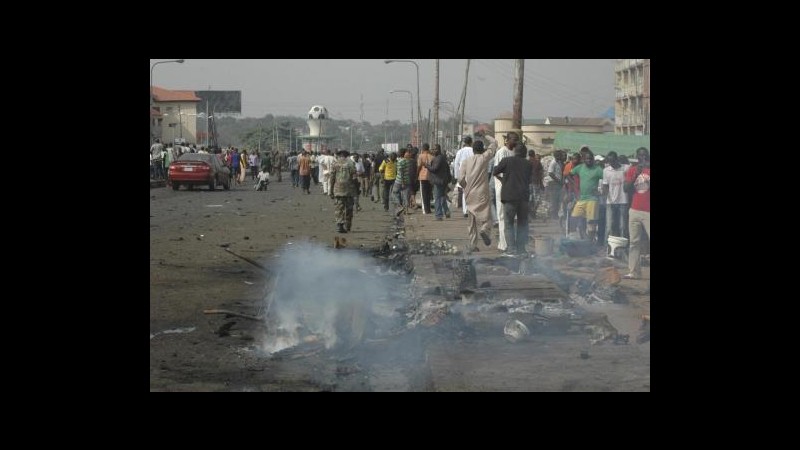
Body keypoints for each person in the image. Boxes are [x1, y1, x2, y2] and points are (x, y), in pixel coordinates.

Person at [459, 135, 498, 252]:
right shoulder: (484, 158)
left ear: (473, 149)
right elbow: (494, 143)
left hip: (470, 193)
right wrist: (486, 135)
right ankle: (484, 230)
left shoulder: (466, 161)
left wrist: (466, 187)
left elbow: (460, 179)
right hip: (482, 192)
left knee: (471, 221)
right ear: (482, 149)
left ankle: (473, 244)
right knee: (487, 217)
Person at [493, 143, 533, 256]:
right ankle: (521, 249)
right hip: (523, 197)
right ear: (525, 153)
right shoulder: (528, 164)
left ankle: (511, 250)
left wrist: (503, 180)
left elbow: (495, 171)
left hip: (509, 196)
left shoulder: (507, 160)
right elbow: (530, 180)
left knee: (509, 223)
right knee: (522, 224)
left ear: (515, 151)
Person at [624, 147, 650, 279]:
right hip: (634, 210)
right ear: (637, 157)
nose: (643, 158)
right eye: (640, 156)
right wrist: (635, 175)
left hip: (648, 211)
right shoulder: (632, 170)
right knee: (634, 241)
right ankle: (634, 271)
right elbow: (626, 188)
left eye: (645, 156)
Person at [568, 147, 604, 242]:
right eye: (587, 158)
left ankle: (589, 243)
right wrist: (574, 184)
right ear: (584, 159)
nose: (588, 160)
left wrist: (601, 192)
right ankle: (572, 238)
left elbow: (607, 180)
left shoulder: (598, 169)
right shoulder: (580, 168)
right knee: (573, 218)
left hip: (593, 199)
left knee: (591, 223)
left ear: (593, 160)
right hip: (582, 199)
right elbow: (568, 174)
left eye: (590, 159)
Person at [493, 131, 520, 252]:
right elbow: (496, 171)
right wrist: (505, 181)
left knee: (510, 218)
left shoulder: (515, 152)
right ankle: (503, 244)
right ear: (507, 140)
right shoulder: (501, 152)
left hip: (512, 189)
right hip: (502, 189)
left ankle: (507, 242)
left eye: (517, 140)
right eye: (514, 139)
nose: (516, 142)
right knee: (502, 216)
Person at [601, 151, 629, 242]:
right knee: (609, 226)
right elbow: (605, 185)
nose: (611, 163)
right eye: (609, 162)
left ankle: (623, 246)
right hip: (610, 201)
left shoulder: (625, 168)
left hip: (623, 201)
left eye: (613, 161)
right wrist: (606, 196)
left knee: (622, 226)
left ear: (617, 159)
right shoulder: (606, 170)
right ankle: (607, 247)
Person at [329, 149, 357, 233]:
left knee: (339, 208)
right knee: (349, 209)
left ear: (339, 155)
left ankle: (339, 225)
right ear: (346, 155)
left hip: (338, 189)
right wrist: (357, 189)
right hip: (349, 189)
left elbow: (332, 178)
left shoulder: (335, 163)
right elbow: (354, 177)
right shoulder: (351, 163)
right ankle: (348, 225)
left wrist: (330, 190)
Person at [427, 144, 451, 220]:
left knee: (437, 198)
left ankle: (438, 215)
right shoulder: (441, 158)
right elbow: (447, 169)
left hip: (439, 181)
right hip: (442, 180)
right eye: (433, 149)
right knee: (442, 197)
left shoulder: (439, 158)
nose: (434, 151)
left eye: (435, 149)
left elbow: (434, 169)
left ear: (439, 149)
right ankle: (446, 211)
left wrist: (427, 165)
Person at [453, 136, 474, 217]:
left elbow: (456, 163)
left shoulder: (460, 151)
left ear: (464, 142)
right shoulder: (473, 151)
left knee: (464, 192)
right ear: (471, 142)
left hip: (463, 174)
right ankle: (471, 209)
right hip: (472, 173)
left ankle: (465, 211)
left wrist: (456, 176)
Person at [417, 143, 434, 214]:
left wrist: (416, 174)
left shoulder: (420, 156)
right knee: (429, 193)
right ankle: (428, 209)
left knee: (423, 194)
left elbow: (419, 166)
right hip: (430, 177)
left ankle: (425, 210)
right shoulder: (432, 157)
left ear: (423, 149)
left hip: (422, 177)